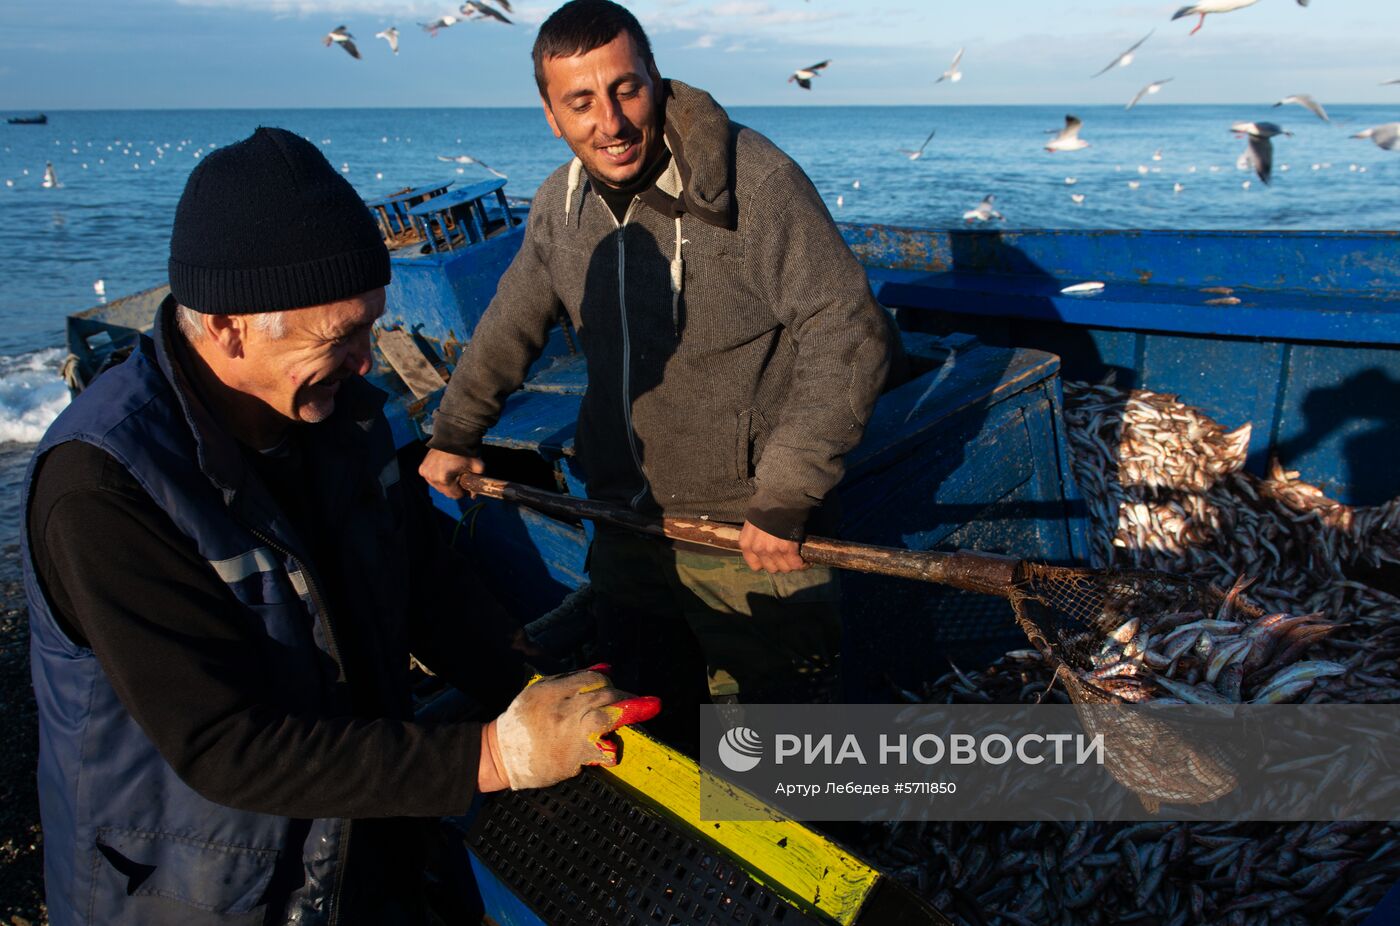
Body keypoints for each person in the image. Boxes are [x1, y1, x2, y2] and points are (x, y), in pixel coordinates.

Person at [22, 126, 659, 926]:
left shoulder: (345, 420)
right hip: (200, 886)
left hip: (362, 834)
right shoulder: (104, 488)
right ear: (227, 326)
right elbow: (225, 745)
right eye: (339, 336)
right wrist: (496, 754)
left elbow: (425, 582)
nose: (369, 360)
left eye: (371, 326)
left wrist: (530, 686)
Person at [419, 0, 897, 728]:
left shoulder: (756, 184)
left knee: (780, 744)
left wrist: (787, 492)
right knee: (656, 713)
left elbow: (847, 330)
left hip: (747, 535)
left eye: (626, 89)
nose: (609, 123)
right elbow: (510, 323)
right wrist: (456, 433)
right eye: (580, 102)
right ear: (551, 114)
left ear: (655, 80)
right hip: (625, 521)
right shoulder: (559, 205)